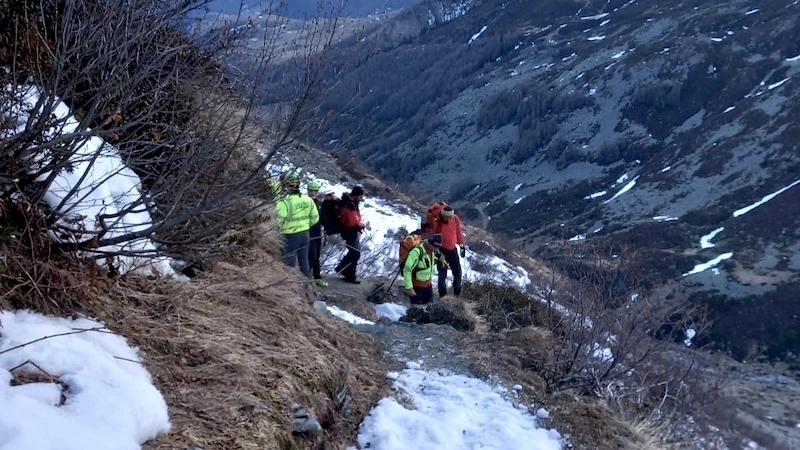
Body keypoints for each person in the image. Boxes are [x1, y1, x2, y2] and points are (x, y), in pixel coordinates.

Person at [275, 171, 319, 278]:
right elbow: (315, 219)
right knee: (304, 263)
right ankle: (308, 286)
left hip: (290, 236)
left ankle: (290, 287)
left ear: (285, 185)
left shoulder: (284, 202)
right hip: (305, 235)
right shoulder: (308, 200)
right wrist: (304, 225)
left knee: (289, 264)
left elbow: (278, 222)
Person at [335, 185, 366, 284]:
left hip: (347, 230)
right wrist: (360, 226)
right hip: (350, 231)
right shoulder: (350, 205)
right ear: (356, 195)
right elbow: (353, 221)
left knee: (354, 252)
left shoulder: (349, 202)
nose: (361, 199)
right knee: (356, 252)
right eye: (360, 197)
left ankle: (343, 269)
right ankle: (349, 274)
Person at [433, 206, 466, 298]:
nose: (449, 219)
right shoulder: (436, 222)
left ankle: (457, 294)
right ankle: (442, 295)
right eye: (447, 217)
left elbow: (458, 232)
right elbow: (432, 238)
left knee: (458, 272)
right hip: (441, 251)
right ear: (443, 216)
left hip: (452, 250)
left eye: (450, 217)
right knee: (442, 274)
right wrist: (438, 254)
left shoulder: (455, 218)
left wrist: (462, 245)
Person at [403, 234, 443, 305]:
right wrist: (409, 288)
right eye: (435, 247)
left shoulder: (433, 252)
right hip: (417, 288)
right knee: (416, 312)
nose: (437, 249)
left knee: (429, 309)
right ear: (429, 243)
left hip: (428, 286)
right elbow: (407, 270)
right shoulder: (416, 253)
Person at [306, 181, 328, 287]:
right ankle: (307, 277)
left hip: (317, 232)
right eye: (311, 190)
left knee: (316, 255)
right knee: (312, 255)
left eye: (315, 190)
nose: (313, 192)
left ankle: (317, 276)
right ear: (308, 190)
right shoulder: (305, 202)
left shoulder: (320, 203)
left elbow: (323, 218)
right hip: (307, 232)